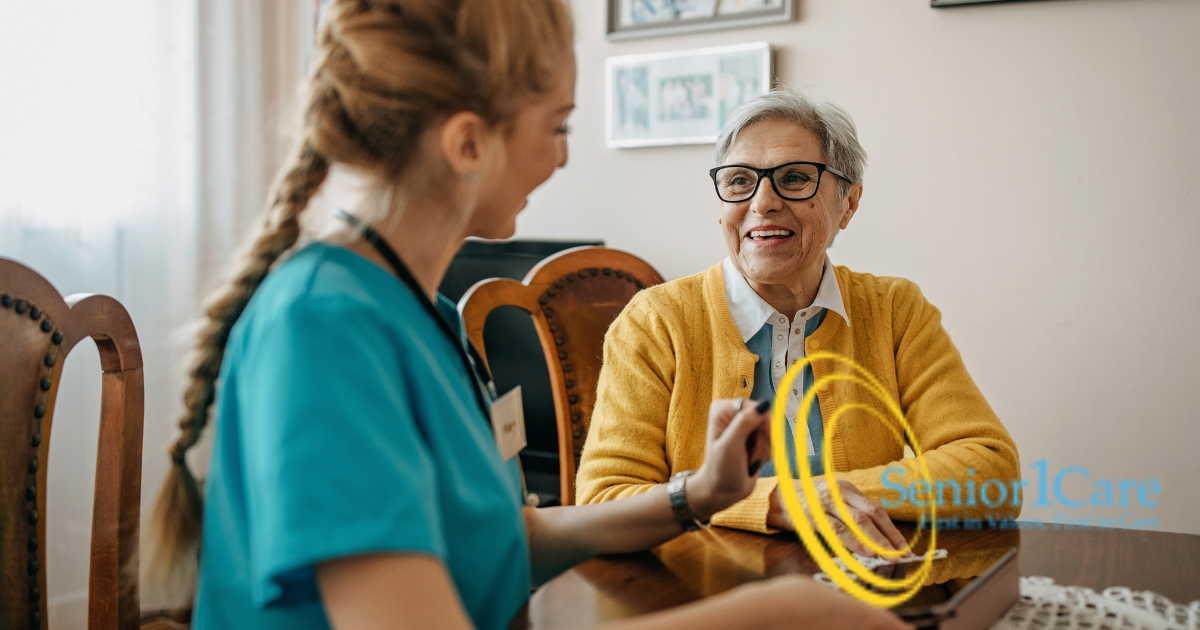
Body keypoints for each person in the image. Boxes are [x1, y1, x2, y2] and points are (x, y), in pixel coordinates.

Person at [147, 2, 911, 630]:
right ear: (469, 142)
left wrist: (696, 496)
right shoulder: (321, 330)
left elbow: (509, 535)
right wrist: (778, 614)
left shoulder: (428, 316)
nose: (564, 159)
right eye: (558, 126)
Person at [576, 88, 1022, 557]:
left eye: (793, 178)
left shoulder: (895, 310)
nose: (763, 202)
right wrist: (773, 501)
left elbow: (990, 472)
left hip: (862, 583)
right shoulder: (654, 322)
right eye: (738, 181)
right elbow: (606, 499)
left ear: (848, 203)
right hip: (701, 590)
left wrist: (822, 498)